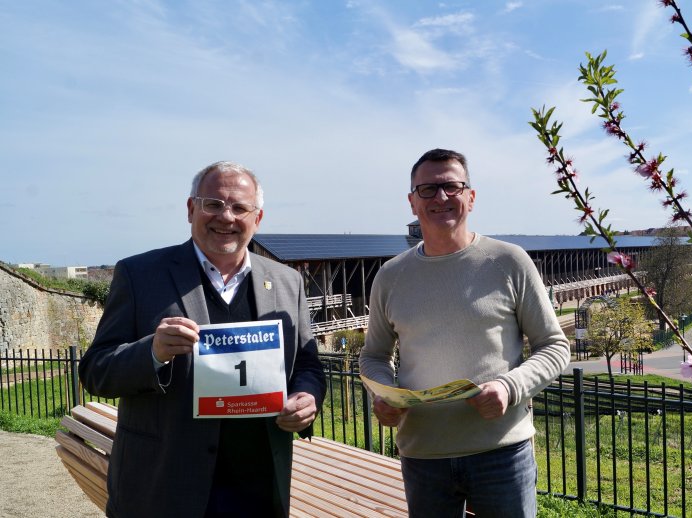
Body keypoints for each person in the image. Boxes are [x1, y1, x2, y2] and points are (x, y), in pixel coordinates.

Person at [79, 161, 326, 518]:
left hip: (259, 490)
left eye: (240, 207)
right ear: (191, 209)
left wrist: (307, 396)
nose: (226, 217)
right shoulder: (139, 274)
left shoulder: (288, 281)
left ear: (257, 219)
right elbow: (95, 371)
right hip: (164, 487)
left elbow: (307, 365)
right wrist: (152, 352)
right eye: (213, 204)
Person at [359, 148, 570, 517]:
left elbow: (553, 346)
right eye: (427, 189)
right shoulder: (390, 276)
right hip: (423, 454)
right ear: (412, 202)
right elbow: (374, 355)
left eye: (451, 187)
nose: (440, 197)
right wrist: (382, 394)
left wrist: (509, 387)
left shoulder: (508, 261)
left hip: (501, 452)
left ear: (470, 197)